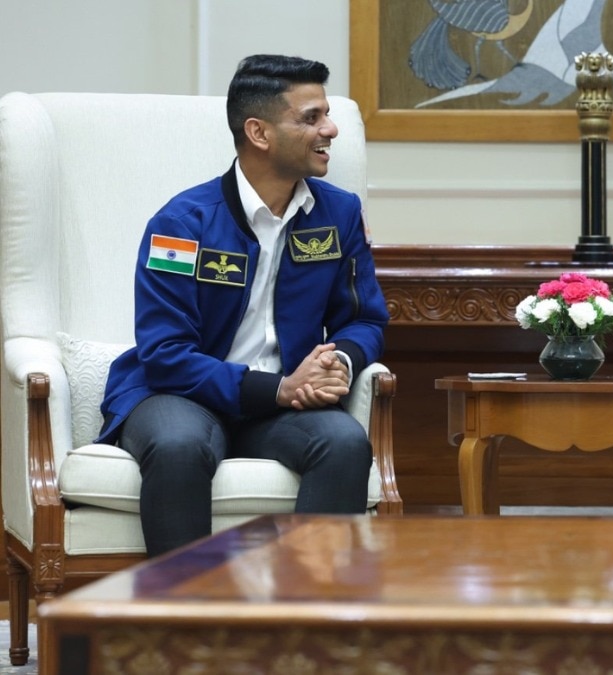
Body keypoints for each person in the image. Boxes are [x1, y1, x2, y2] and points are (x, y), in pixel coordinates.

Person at [98, 54, 390, 557]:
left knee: (344, 442)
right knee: (178, 446)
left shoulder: (339, 213)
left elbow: (363, 318)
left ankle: (300, 623)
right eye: (312, 117)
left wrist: (336, 360)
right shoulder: (183, 223)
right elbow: (166, 354)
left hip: (283, 406)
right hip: (181, 396)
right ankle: (186, 628)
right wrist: (278, 388)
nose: (331, 129)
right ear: (259, 132)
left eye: (327, 114)